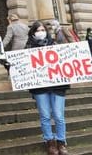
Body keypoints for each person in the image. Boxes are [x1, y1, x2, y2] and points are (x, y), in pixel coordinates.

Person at [25, 21, 69, 155]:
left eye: (43, 30)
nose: (40, 32)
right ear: (33, 33)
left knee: (59, 116)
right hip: (40, 87)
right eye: (38, 30)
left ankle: (61, 142)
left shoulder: (55, 45)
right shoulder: (27, 48)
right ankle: (50, 142)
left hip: (57, 86)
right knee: (45, 116)